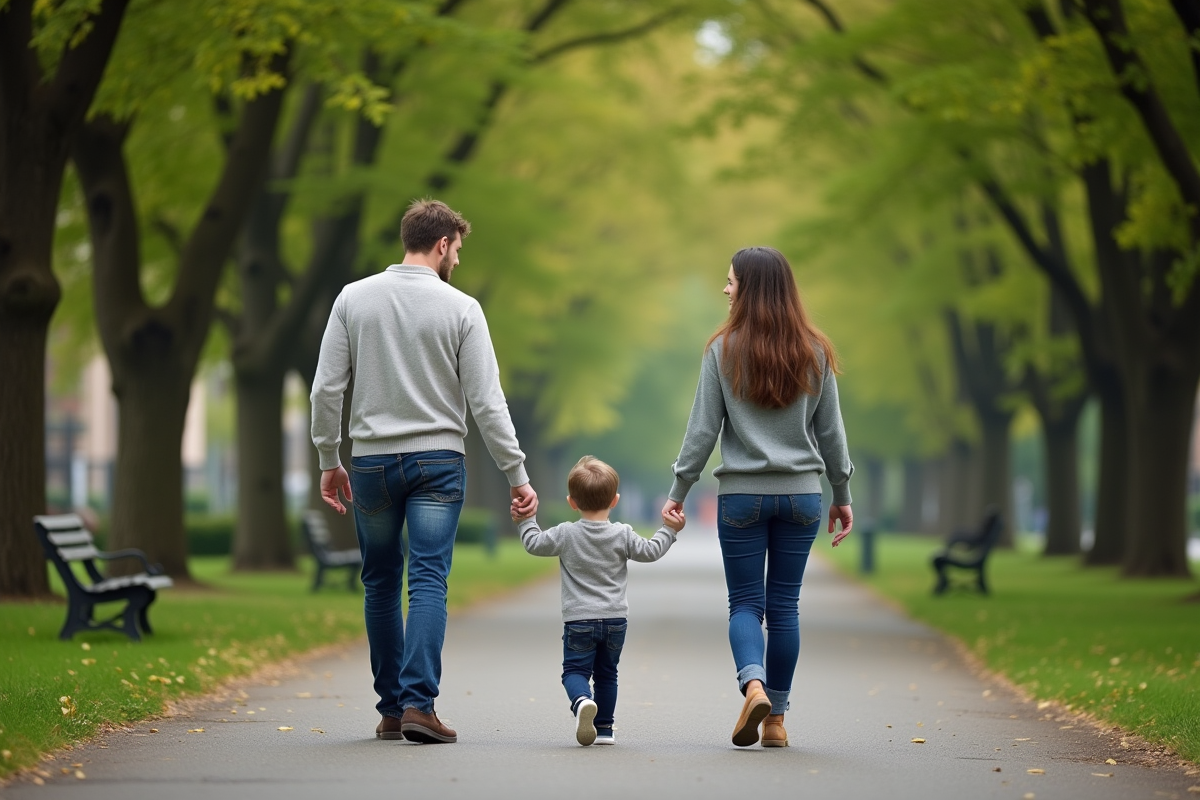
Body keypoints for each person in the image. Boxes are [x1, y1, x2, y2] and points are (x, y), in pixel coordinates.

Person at [310, 198, 538, 745]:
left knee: (380, 580)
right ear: (441, 245)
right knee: (428, 578)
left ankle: (391, 708)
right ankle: (419, 704)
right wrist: (517, 473)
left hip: (369, 463)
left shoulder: (352, 299)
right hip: (439, 462)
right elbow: (487, 403)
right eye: (456, 249)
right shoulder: (462, 309)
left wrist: (328, 458)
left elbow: (325, 390)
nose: (456, 258)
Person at [662, 246, 854, 749]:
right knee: (785, 607)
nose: (725, 290)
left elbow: (701, 431)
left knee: (745, 603)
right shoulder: (815, 349)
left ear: (750, 288)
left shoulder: (721, 350)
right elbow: (832, 434)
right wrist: (842, 492)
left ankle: (753, 686)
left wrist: (680, 489)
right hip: (802, 497)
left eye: (730, 282)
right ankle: (776, 723)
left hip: (742, 496)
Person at [514, 455, 684, 746]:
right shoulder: (622, 534)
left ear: (572, 502)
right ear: (615, 500)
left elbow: (534, 543)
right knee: (607, 675)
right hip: (616, 620)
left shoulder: (566, 534)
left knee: (575, 671)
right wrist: (669, 530)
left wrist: (525, 519)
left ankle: (581, 702)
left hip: (579, 620)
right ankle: (604, 729)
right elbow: (651, 551)